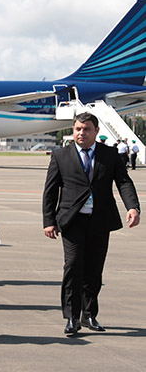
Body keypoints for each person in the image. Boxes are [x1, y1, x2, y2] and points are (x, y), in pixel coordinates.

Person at [43, 112, 140, 335]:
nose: (81, 133)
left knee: (94, 269)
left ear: (96, 131)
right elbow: (50, 191)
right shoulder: (61, 155)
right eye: (78, 129)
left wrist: (133, 207)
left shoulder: (109, 154)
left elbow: (124, 182)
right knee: (73, 266)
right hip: (72, 220)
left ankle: (88, 315)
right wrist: (49, 221)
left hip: (100, 220)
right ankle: (71, 317)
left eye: (86, 129)